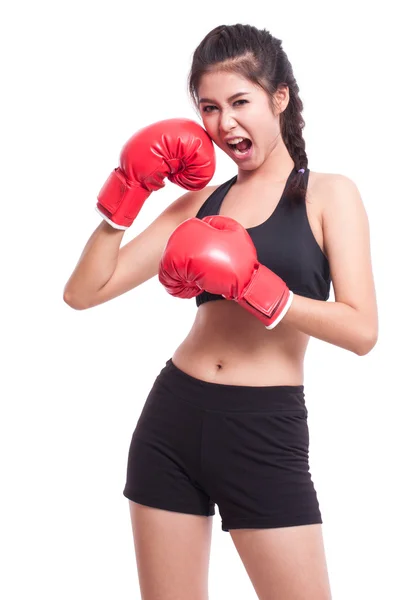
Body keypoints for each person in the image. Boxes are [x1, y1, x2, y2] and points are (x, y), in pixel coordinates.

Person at [64, 23, 378, 600]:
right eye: (209, 107)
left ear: (279, 98)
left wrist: (263, 291)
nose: (224, 123)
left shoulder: (331, 196)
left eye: (240, 102)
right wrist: (124, 195)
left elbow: (362, 330)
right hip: (172, 422)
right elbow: (85, 291)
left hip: (264, 431)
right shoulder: (198, 203)